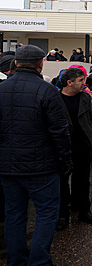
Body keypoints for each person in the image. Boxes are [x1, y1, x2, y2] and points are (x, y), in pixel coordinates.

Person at [0, 45, 72, 266]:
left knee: (14, 215)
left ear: (15, 63)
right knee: (47, 214)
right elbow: (60, 131)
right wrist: (66, 159)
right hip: (41, 169)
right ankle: (39, 261)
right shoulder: (47, 90)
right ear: (41, 63)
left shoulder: (1, 89)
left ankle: (16, 261)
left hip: (7, 168)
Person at [57, 68, 92, 231]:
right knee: (62, 183)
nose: (84, 83)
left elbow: (90, 118)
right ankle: (63, 215)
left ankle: (83, 211)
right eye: (81, 80)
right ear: (69, 82)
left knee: (82, 181)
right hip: (63, 148)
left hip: (82, 146)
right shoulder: (56, 99)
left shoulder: (85, 98)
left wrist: (90, 134)